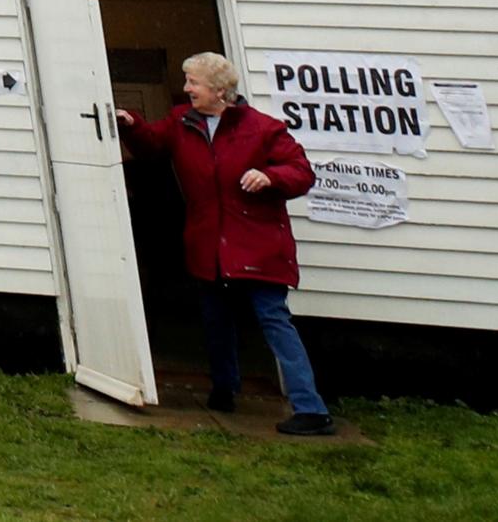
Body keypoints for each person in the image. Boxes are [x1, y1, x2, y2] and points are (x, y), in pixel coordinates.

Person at [117, 51, 337, 434]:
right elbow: (151, 145)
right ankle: (224, 390)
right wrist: (130, 123)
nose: (186, 89)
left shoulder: (264, 129)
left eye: (193, 83)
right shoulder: (181, 122)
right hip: (209, 242)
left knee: (273, 320)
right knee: (216, 321)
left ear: (219, 91)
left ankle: (311, 409)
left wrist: (270, 177)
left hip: (258, 244)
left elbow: (301, 172)